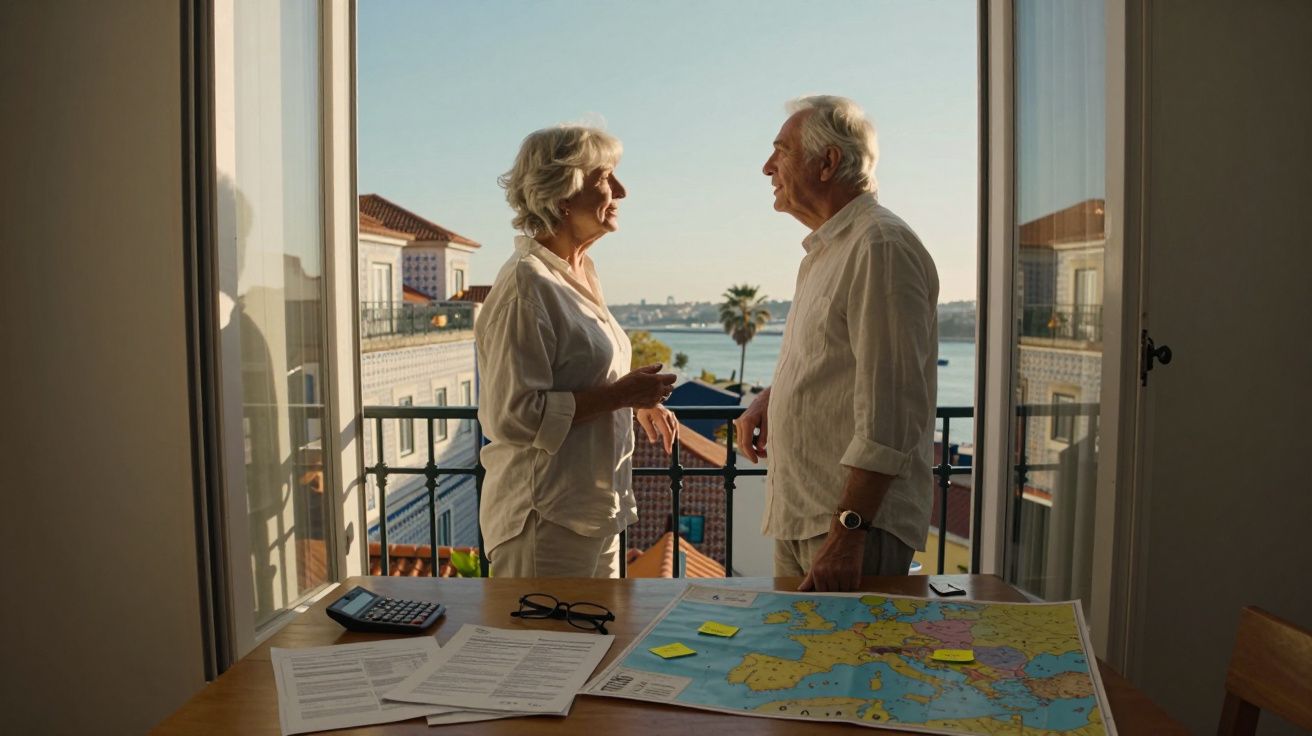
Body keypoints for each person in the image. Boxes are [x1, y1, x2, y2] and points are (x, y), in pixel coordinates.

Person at [735, 96, 939, 592]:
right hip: (805, 515)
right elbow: (839, 360)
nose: (767, 167)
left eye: (781, 151)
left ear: (827, 163)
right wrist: (771, 399)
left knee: (846, 647)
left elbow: (891, 410)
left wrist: (848, 532)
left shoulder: (879, 246)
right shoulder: (830, 250)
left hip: (849, 527)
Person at [476, 124, 679, 578]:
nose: (621, 191)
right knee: (545, 629)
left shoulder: (579, 273)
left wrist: (634, 400)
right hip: (544, 519)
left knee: (599, 628)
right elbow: (513, 415)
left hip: (591, 511)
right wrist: (620, 396)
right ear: (563, 194)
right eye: (606, 178)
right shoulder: (526, 285)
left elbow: (581, 375)